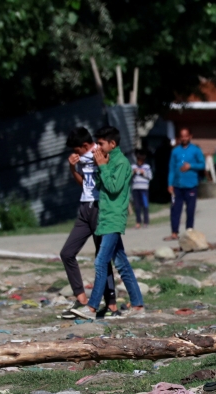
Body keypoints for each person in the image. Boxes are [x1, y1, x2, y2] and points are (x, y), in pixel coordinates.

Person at [71, 126, 144, 320]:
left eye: (101, 144)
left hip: (114, 218)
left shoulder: (121, 162)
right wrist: (94, 166)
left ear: (112, 144)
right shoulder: (105, 159)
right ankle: (137, 304)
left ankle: (92, 307)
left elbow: (113, 188)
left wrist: (102, 165)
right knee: (121, 262)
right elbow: (96, 184)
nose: (98, 147)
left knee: (101, 261)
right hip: (104, 218)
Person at [59, 127, 118, 319]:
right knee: (67, 253)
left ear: (85, 145)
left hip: (100, 208)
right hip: (85, 207)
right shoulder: (82, 159)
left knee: (102, 256)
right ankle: (81, 299)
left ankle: (111, 305)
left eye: (77, 150)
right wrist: (72, 168)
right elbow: (84, 183)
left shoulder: (100, 154)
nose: (75, 153)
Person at [166, 128, 205, 240]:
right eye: (182, 136)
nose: (184, 138)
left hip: (191, 185)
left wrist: (191, 166)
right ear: (179, 138)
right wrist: (170, 184)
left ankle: (189, 231)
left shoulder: (195, 150)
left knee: (190, 210)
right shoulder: (175, 151)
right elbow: (172, 169)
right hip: (177, 186)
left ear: (190, 136)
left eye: (186, 136)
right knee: (175, 209)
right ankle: (174, 232)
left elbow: (202, 165)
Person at [132, 150, 153, 228]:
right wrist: (133, 173)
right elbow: (129, 177)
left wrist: (143, 173)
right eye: (138, 160)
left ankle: (146, 222)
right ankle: (138, 222)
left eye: (141, 160)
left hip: (144, 189)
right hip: (135, 188)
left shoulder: (147, 167)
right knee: (137, 206)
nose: (139, 162)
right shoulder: (133, 166)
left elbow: (150, 177)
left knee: (145, 205)